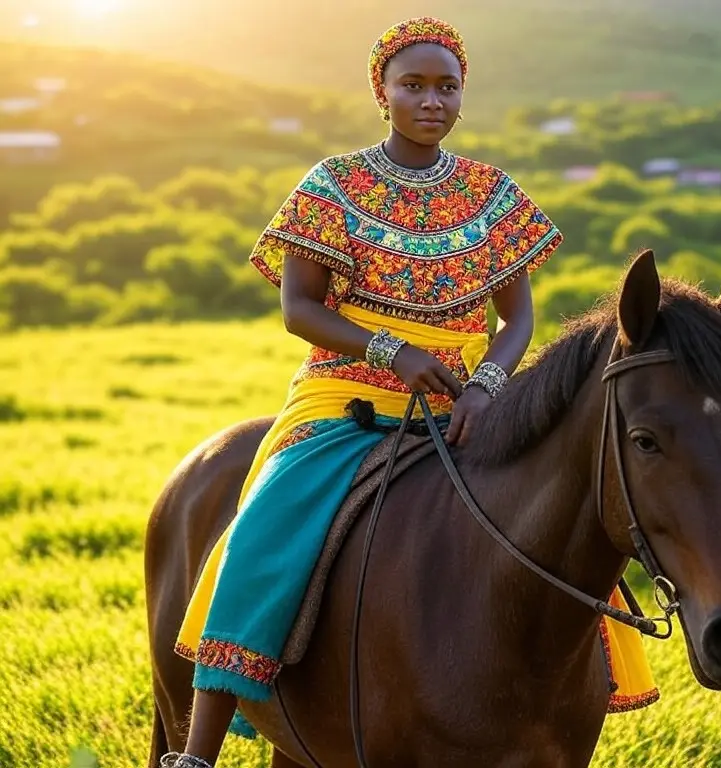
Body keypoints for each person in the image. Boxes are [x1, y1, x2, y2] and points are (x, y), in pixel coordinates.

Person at [161, 17, 657, 768]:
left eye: (447, 86)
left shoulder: (491, 193)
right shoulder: (330, 184)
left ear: (463, 96)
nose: (432, 100)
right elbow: (300, 310)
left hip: (467, 402)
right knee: (264, 528)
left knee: (567, 518)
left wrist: (488, 385)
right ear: (382, 92)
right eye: (414, 85)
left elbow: (517, 317)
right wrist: (394, 353)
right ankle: (195, 751)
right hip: (345, 396)